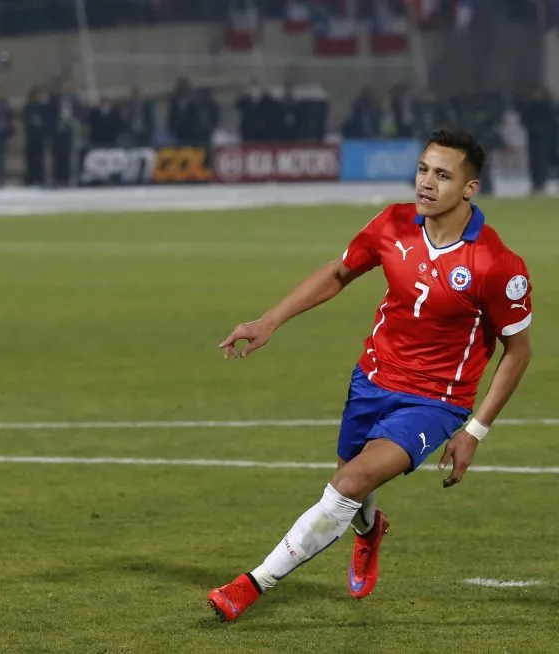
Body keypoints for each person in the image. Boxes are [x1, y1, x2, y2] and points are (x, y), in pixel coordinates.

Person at [208, 128, 534, 622]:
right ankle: (368, 532)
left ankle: (251, 584)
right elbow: (340, 272)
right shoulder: (393, 224)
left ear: (469, 189)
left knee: (350, 479)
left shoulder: (496, 263)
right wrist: (268, 320)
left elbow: (518, 352)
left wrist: (475, 431)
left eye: (443, 175)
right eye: (423, 169)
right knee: (353, 488)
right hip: (371, 380)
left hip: (434, 402)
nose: (426, 183)